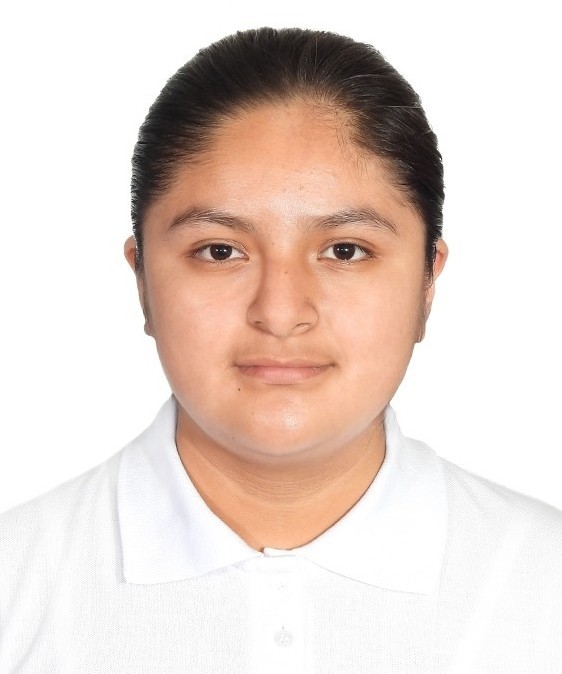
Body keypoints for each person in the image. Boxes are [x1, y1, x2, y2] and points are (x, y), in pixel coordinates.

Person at [0, 27, 560, 673]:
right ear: (143, 280)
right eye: (220, 251)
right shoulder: (18, 582)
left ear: (427, 282)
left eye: (345, 250)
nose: (281, 312)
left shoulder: (543, 584)